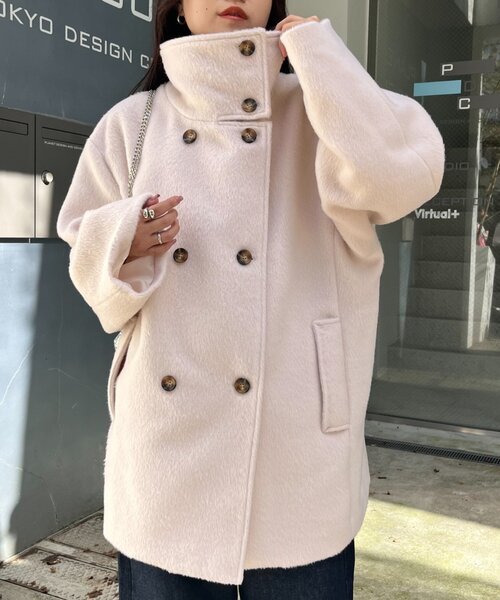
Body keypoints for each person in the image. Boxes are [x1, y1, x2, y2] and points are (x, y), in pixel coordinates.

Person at [56, 0, 445, 598]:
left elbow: (402, 180)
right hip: (168, 453)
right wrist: (122, 240)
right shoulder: (132, 122)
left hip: (298, 452)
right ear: (175, 7)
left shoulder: (319, 111)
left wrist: (324, 61)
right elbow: (86, 260)